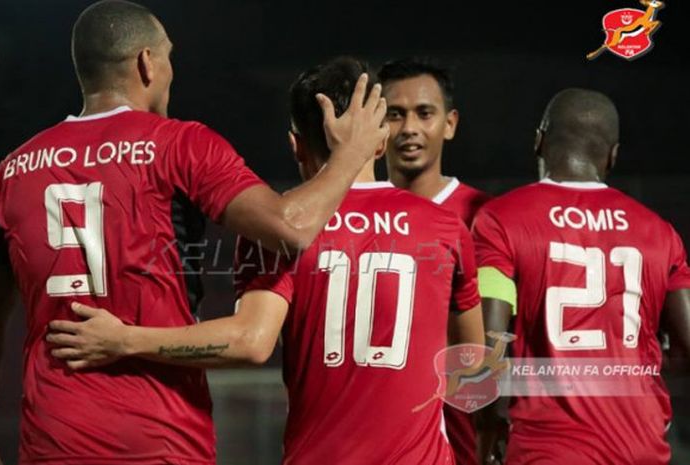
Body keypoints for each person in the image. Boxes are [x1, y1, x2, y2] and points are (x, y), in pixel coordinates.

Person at [0, 1, 388, 464]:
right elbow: (291, 229)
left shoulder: (11, 173)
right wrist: (350, 153)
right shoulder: (180, 145)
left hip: (52, 439)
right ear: (146, 63)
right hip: (161, 437)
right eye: (169, 57)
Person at [46, 57, 486, 465]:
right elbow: (476, 367)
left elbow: (250, 342)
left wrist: (126, 340)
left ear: (295, 144)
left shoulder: (276, 229)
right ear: (379, 138)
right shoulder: (445, 229)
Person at [472, 88, 690, 464]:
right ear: (613, 154)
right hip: (641, 445)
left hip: (549, 447)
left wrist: (486, 421)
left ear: (538, 140)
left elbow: (487, 344)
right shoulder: (660, 233)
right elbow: (688, 347)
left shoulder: (501, 220)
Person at [379, 57, 491, 465]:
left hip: (458, 445)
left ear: (450, 123)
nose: (409, 128)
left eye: (424, 113)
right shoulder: (350, 214)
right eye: (395, 114)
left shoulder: (486, 219)